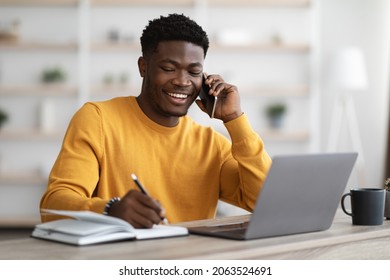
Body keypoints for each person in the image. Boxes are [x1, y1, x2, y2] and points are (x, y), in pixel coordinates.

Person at [40, 13, 272, 228]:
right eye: (169, 68)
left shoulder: (212, 145)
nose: (182, 81)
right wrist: (110, 210)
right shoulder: (97, 120)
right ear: (143, 67)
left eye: (193, 72)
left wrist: (235, 120)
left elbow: (265, 203)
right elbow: (53, 206)